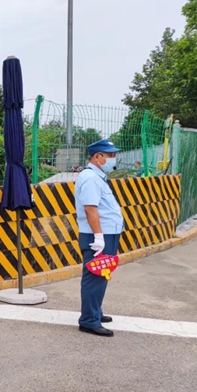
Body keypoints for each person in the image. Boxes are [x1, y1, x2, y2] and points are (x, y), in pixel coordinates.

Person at [74, 139, 124, 338]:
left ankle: (95, 312)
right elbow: (90, 208)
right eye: (110, 155)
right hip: (98, 235)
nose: (113, 158)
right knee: (95, 276)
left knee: (102, 274)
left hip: (106, 233)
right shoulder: (90, 178)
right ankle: (88, 321)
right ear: (97, 157)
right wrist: (99, 236)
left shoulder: (98, 176)